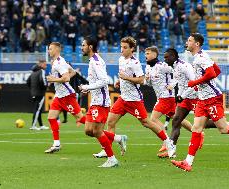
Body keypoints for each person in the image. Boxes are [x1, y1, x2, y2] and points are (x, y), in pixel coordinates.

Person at [171, 33, 229, 172]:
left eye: (189, 40)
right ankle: (188, 162)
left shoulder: (201, 58)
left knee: (223, 129)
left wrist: (195, 82)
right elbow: (217, 70)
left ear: (196, 44)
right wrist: (201, 85)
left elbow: (212, 74)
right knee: (196, 129)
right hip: (203, 99)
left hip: (212, 98)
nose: (186, 42)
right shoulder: (200, 57)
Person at [94, 37, 176, 158]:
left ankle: (168, 142)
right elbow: (124, 76)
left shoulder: (135, 63)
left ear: (132, 49)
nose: (122, 50)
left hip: (134, 100)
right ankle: (107, 149)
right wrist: (119, 82)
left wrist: (126, 78)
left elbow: (141, 80)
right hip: (123, 98)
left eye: (125, 47)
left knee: (146, 122)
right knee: (110, 122)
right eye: (121, 47)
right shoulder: (121, 59)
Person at [158, 48, 229, 158]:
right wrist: (179, 94)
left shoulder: (185, 66)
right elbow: (181, 82)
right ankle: (171, 151)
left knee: (202, 123)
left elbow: (195, 83)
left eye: (167, 57)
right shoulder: (174, 67)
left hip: (196, 97)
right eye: (164, 57)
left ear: (174, 57)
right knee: (176, 120)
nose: (165, 59)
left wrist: (183, 95)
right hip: (185, 99)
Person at [143, 46, 192, 154]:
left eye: (148, 53)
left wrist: (172, 84)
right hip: (161, 96)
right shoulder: (148, 67)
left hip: (167, 97)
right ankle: (197, 132)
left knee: (153, 119)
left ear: (154, 54)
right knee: (178, 119)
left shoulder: (163, 65)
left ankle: (167, 142)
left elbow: (177, 73)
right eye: (145, 53)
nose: (145, 55)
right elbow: (149, 83)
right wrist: (146, 80)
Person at [78, 37, 119, 168]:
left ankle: (112, 159)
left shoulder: (96, 61)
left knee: (96, 131)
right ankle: (118, 138)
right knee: (88, 130)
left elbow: (104, 80)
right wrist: (88, 90)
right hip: (95, 100)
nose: (81, 47)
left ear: (90, 47)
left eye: (83, 45)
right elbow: (97, 82)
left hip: (100, 102)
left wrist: (87, 87)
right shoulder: (92, 61)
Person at [45, 42, 86, 153]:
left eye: (51, 49)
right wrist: (56, 80)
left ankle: (103, 131)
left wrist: (53, 80)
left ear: (57, 50)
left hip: (67, 95)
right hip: (59, 95)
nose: (49, 51)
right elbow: (73, 72)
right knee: (51, 117)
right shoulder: (57, 61)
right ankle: (56, 144)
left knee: (81, 119)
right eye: (49, 49)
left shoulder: (59, 62)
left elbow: (67, 78)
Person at [26, 60, 49, 130]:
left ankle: (41, 125)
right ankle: (33, 125)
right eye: (45, 64)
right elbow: (42, 81)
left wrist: (32, 90)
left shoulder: (33, 72)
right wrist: (46, 86)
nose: (46, 66)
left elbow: (28, 81)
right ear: (41, 64)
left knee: (38, 109)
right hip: (40, 93)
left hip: (34, 93)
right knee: (37, 109)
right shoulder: (41, 71)